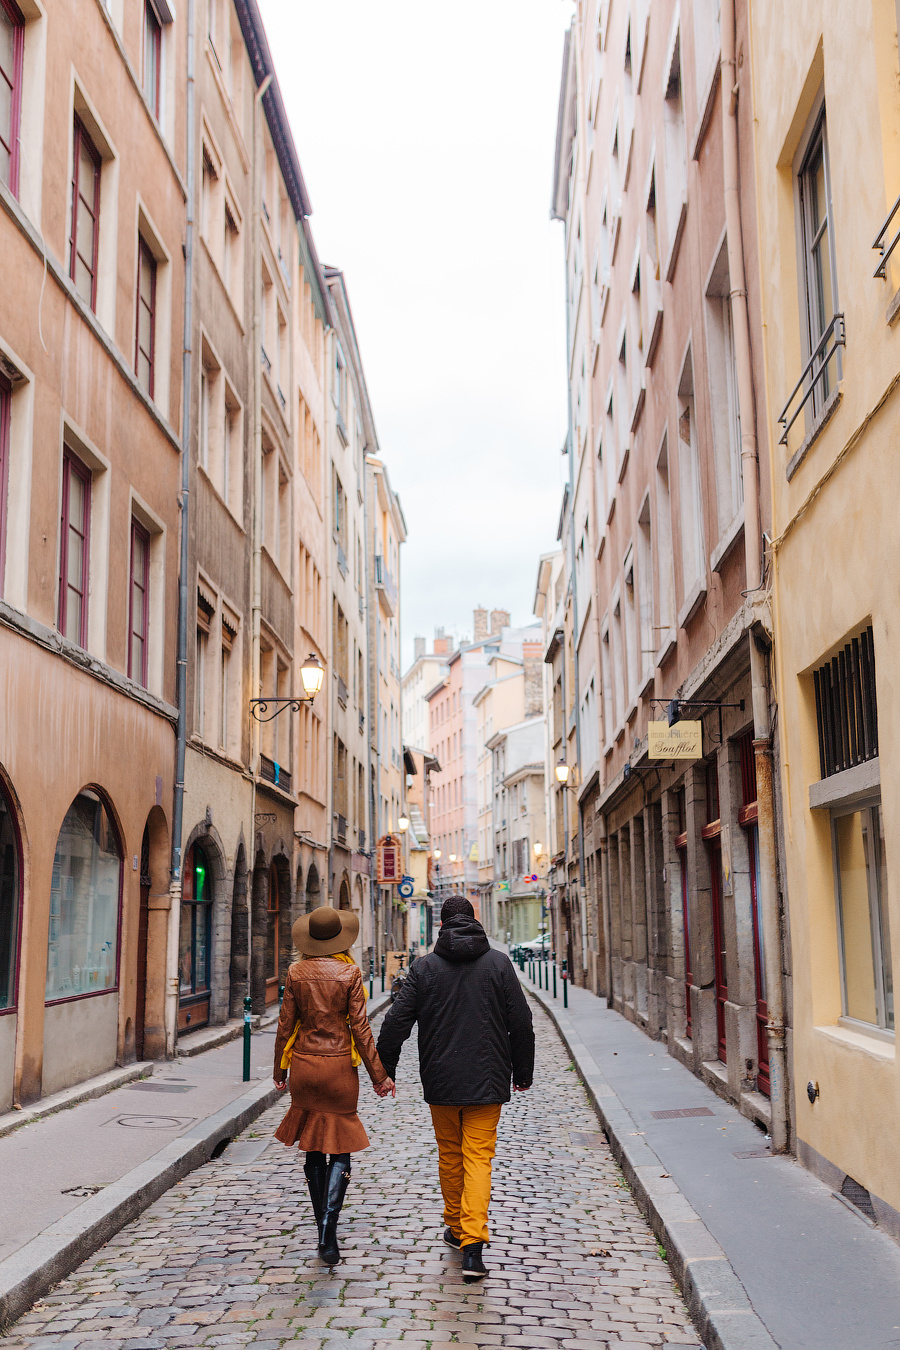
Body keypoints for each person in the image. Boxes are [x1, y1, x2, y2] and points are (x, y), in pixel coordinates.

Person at [376, 894, 535, 1282]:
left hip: (441, 1080)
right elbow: (522, 1020)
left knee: (450, 1154)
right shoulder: (498, 963)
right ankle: (473, 1247)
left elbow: (397, 1021)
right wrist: (523, 1071)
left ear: (442, 925)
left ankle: (457, 1227)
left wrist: (385, 1070)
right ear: (475, 920)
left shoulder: (425, 967)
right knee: (478, 1158)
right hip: (488, 1078)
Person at [273, 905, 394, 1267]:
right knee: (340, 1150)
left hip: (305, 1067)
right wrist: (379, 1075)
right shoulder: (350, 973)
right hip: (340, 1067)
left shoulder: (296, 972)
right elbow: (361, 1027)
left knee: (313, 1147)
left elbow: (285, 1025)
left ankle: (322, 1229)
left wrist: (280, 1070)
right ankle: (328, 1231)